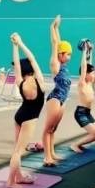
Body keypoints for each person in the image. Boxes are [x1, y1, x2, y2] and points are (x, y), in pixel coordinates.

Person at [8, 33, 45, 188]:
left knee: (16, 149)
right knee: (18, 152)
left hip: (19, 115)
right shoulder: (40, 81)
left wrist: (15, 45)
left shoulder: (20, 82)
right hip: (30, 119)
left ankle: (19, 176)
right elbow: (32, 59)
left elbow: (17, 63)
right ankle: (10, 181)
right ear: (32, 70)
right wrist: (21, 43)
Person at [41, 16, 72, 167]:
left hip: (63, 99)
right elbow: (55, 44)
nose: (69, 57)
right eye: (68, 54)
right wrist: (51, 27)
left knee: (53, 129)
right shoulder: (55, 64)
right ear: (61, 55)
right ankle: (47, 157)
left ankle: (52, 153)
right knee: (48, 129)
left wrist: (57, 28)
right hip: (55, 98)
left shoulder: (63, 64)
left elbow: (58, 43)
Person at [71, 43, 95, 152]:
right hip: (80, 113)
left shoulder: (89, 83)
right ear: (85, 74)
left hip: (87, 113)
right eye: (92, 74)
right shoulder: (82, 83)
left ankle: (79, 144)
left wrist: (91, 51)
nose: (94, 76)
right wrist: (84, 51)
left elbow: (89, 63)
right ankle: (75, 145)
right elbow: (84, 66)